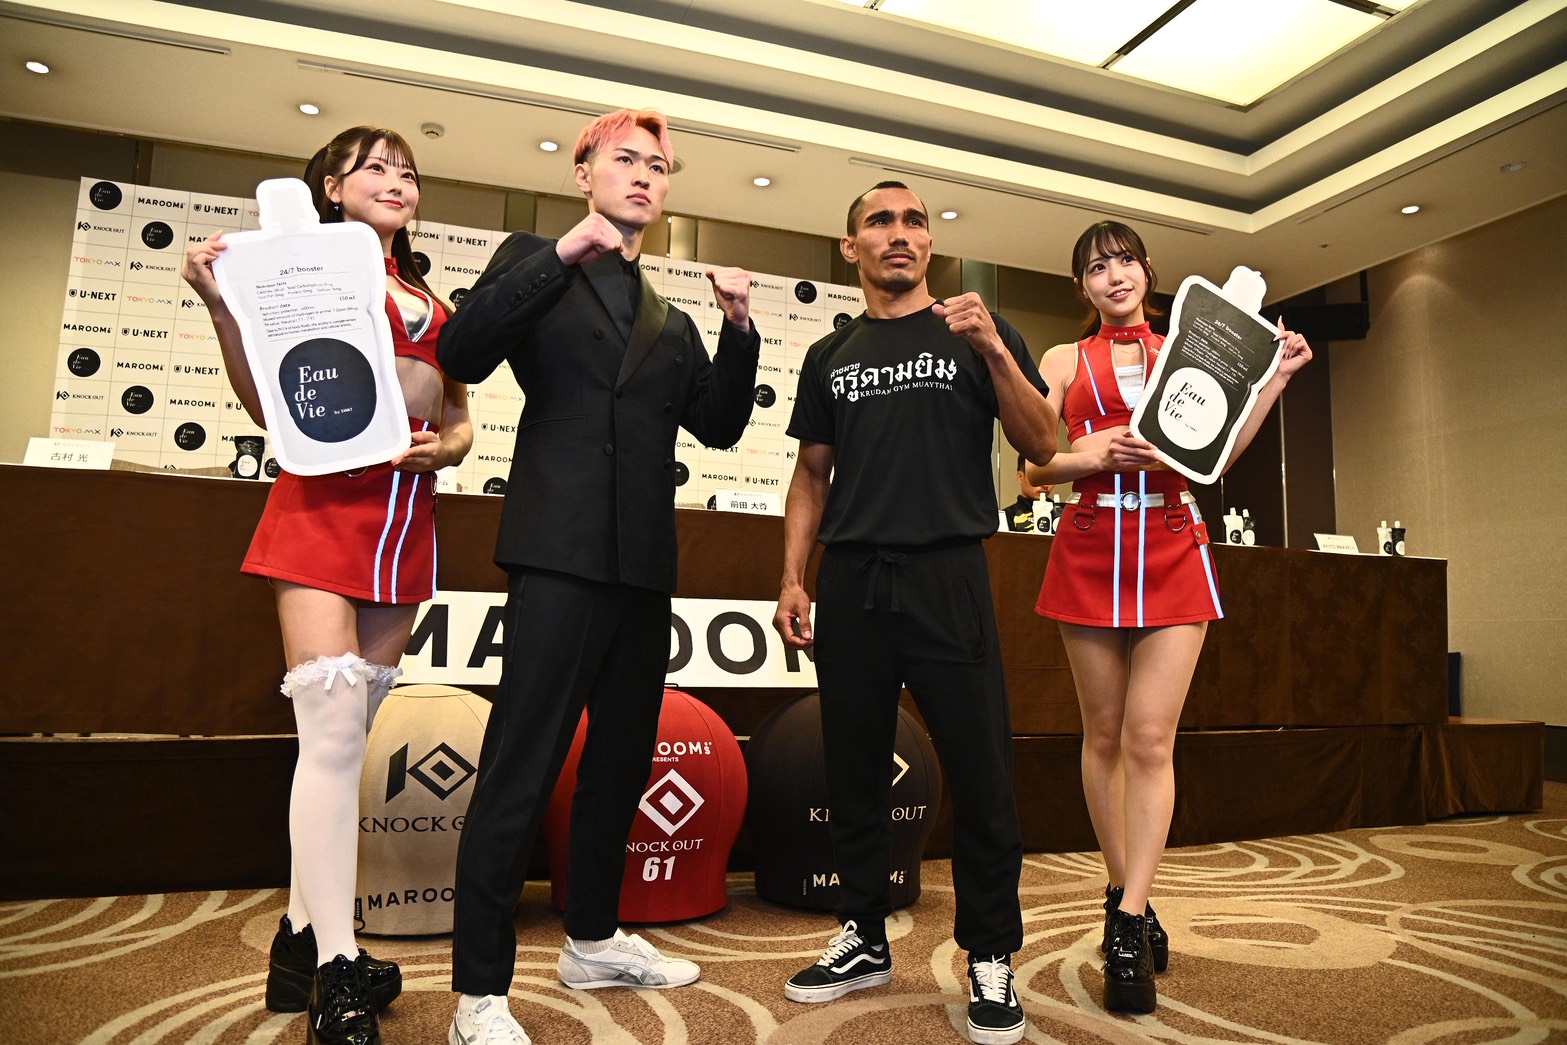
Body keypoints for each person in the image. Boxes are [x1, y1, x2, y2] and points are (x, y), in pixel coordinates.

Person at [437, 108, 760, 1045]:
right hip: (557, 550)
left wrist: (739, 326)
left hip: (642, 564)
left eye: (659, 165)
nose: (645, 175)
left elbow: (719, 425)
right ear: (583, 173)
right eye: (626, 159)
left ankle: (591, 937)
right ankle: (478, 992)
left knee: (620, 763)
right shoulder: (536, 259)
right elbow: (462, 351)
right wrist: (562, 253)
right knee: (521, 766)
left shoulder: (670, 317)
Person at [181, 125, 472, 1045]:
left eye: (407, 170)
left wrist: (446, 449)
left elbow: (461, 417)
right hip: (317, 512)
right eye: (374, 167)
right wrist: (223, 307)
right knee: (334, 734)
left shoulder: (436, 300)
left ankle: (298, 940)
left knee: (347, 740)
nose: (396, 179)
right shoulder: (300, 275)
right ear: (331, 190)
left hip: (402, 525)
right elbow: (269, 402)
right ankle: (339, 967)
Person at [772, 181, 1057, 1045]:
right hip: (853, 578)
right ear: (851, 246)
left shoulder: (976, 328)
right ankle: (863, 933)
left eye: (913, 222)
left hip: (947, 573)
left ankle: (990, 952)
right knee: (853, 766)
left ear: (929, 243)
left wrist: (994, 350)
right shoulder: (831, 353)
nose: (899, 234)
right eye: (879, 222)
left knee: (980, 770)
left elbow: (1042, 443)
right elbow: (811, 474)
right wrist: (792, 577)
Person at [1026, 220, 1312, 1014]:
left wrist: (1275, 378)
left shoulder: (1191, 345)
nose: (1113, 275)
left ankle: (1125, 924)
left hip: (1172, 546)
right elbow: (1031, 468)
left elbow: (1215, 457)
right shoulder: (1060, 360)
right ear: (1080, 286)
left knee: (1150, 738)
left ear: (1148, 271)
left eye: (1124, 260)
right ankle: (1127, 890)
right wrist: (1094, 455)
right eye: (1096, 267)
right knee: (1103, 735)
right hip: (1087, 547)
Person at [1002, 450, 1053, 533]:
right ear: (1020, 477)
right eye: (1038, 477)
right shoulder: (1005, 517)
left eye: (1050, 478)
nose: (1046, 485)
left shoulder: (1061, 516)